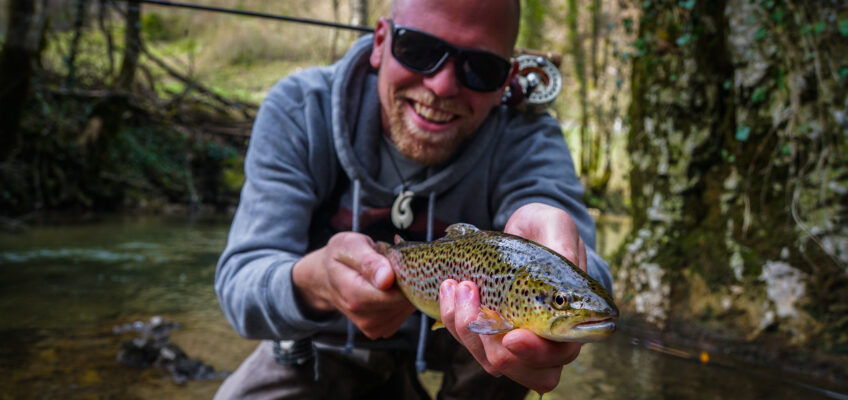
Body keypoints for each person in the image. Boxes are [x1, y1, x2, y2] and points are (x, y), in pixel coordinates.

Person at [214, 0, 613, 398]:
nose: (442, 85)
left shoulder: (529, 137)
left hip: (472, 352)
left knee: (508, 350)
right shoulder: (300, 111)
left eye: (481, 68)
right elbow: (239, 286)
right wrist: (315, 283)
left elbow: (591, 269)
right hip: (326, 343)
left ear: (506, 80)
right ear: (381, 41)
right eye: (419, 50)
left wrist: (565, 252)